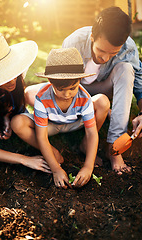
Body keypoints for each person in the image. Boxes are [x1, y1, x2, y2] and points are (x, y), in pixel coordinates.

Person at [11, 47, 110, 188]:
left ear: (80, 80)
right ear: (50, 82)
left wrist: (88, 167)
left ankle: (84, 145)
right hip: (51, 125)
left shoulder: (84, 98)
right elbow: (41, 136)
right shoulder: (42, 98)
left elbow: (92, 133)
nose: (67, 94)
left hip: (76, 122)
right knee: (17, 123)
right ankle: (52, 151)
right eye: (60, 89)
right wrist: (55, 168)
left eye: (73, 88)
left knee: (102, 101)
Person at [62, 6, 142, 175]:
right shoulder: (73, 43)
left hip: (105, 89)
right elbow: (62, 84)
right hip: (76, 91)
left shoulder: (128, 48)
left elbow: (139, 88)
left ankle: (114, 148)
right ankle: (88, 139)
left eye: (113, 53)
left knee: (126, 70)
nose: (105, 58)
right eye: (101, 50)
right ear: (92, 36)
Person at [0, 29, 51, 173]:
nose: (12, 80)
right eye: (3, 76)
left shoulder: (16, 84)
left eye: (12, 71)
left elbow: (15, 105)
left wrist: (6, 118)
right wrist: (24, 159)